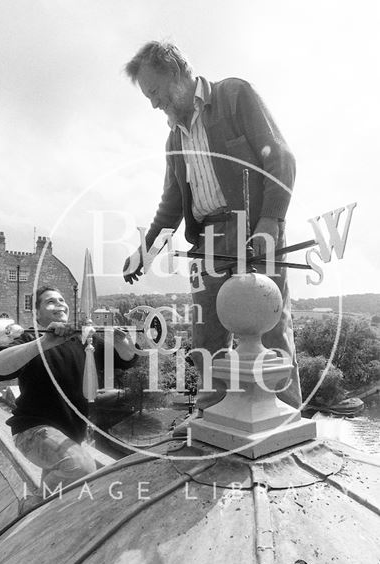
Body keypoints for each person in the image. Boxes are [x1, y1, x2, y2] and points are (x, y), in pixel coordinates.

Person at [123, 41, 301, 425]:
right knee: (206, 335)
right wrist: (146, 249)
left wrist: (270, 220)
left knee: (268, 327)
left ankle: (286, 418)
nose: (154, 104)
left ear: (175, 71)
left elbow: (281, 158)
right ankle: (213, 420)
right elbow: (171, 202)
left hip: (255, 228)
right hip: (206, 242)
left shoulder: (234, 95)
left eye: (154, 91)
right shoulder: (174, 139)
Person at [0, 286, 136, 512]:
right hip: (33, 431)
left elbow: (127, 359)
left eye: (62, 299)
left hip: (71, 434)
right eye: (50, 301)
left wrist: (121, 342)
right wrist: (46, 342)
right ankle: (29, 507)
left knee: (58, 496)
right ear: (37, 314)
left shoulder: (86, 341)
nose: (59, 303)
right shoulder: (31, 339)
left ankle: (39, 519)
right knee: (83, 467)